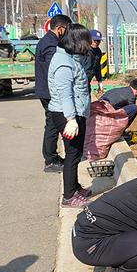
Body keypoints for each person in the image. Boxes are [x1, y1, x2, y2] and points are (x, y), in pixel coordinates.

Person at [48, 23, 93, 208]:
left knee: (76, 152)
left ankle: (74, 187)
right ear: (77, 41)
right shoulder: (63, 64)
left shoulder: (71, 58)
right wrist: (71, 120)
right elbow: (65, 94)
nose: (89, 45)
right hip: (66, 115)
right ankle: (68, 196)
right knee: (72, 154)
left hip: (74, 112)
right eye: (86, 41)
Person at [35, 14, 72, 173]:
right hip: (50, 93)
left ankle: (52, 157)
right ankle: (50, 160)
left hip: (45, 91)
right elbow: (55, 70)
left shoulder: (46, 41)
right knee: (52, 126)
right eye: (67, 29)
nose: (68, 33)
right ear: (60, 28)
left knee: (51, 125)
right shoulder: (51, 45)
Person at [86, 29, 105, 96]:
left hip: (88, 80)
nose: (96, 42)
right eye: (94, 40)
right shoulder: (83, 50)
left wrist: (100, 82)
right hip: (80, 81)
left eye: (98, 41)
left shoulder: (98, 52)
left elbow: (97, 67)